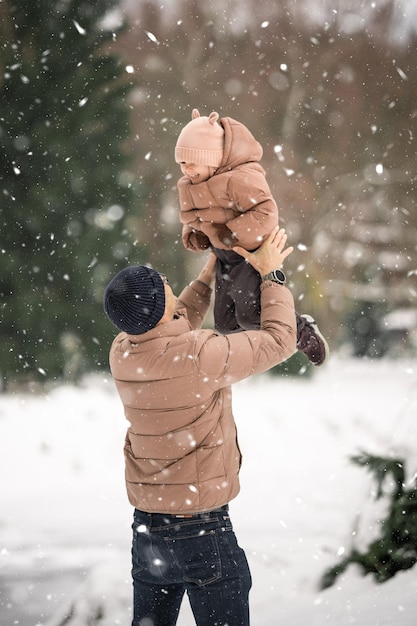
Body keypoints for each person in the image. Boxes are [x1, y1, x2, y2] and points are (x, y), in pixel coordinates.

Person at [103, 227, 296, 626]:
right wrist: (272, 275)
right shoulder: (199, 354)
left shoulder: (123, 350)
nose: (171, 285)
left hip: (148, 528)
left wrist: (207, 278)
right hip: (201, 529)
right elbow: (279, 341)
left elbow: (171, 326)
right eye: (165, 285)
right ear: (159, 306)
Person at [174, 108, 329, 366]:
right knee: (225, 325)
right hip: (223, 257)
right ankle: (254, 358)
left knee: (251, 316)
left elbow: (266, 212)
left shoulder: (241, 178)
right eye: (182, 163)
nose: (187, 170)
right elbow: (193, 216)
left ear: (213, 157)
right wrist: (193, 233)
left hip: (250, 256)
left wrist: (231, 232)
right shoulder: (189, 184)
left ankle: (302, 331)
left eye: (193, 162)